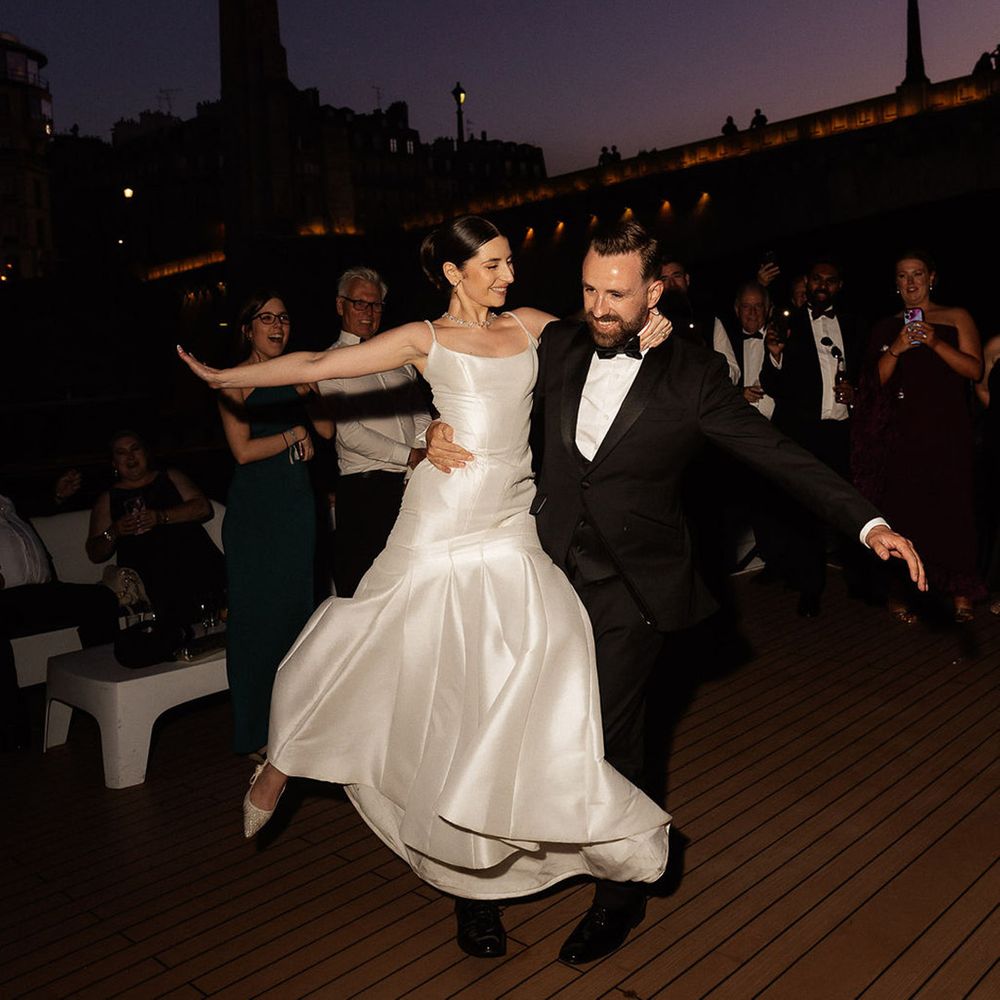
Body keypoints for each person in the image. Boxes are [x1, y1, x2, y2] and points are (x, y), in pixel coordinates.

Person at [425, 221, 924, 963]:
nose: (597, 306)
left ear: (653, 291)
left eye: (616, 294)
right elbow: (472, 374)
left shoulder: (692, 376)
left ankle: (619, 898)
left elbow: (778, 454)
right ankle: (479, 892)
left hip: (631, 593)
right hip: (534, 577)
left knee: (612, 748)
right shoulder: (557, 342)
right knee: (500, 734)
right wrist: (430, 435)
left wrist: (868, 522)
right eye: (588, 289)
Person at [178, 217, 673, 963]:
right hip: (439, 516)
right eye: (496, 265)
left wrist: (647, 323)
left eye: (510, 263)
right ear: (454, 271)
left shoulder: (531, 325)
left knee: (547, 643)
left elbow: (599, 327)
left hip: (508, 518)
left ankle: (529, 831)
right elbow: (319, 362)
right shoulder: (424, 338)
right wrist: (228, 377)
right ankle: (285, 757)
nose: (509, 276)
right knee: (370, 632)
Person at [216, 293, 334, 756]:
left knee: (296, 617)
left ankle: (295, 728)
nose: (277, 325)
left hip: (296, 508)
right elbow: (242, 451)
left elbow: (325, 431)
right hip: (255, 515)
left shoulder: (295, 373)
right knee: (255, 624)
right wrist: (292, 433)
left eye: (283, 316)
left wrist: (312, 389)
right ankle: (254, 734)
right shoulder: (234, 382)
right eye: (266, 317)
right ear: (248, 329)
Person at [853, 251, 984, 623]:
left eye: (917, 274)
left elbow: (974, 370)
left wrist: (934, 342)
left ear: (932, 277)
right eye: (902, 276)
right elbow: (872, 385)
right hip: (901, 434)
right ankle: (904, 589)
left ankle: (961, 591)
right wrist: (896, 348)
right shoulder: (885, 327)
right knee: (907, 512)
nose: (910, 282)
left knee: (954, 510)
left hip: (948, 430)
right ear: (895, 284)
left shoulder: (956, 317)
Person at [759, 257, 868, 617]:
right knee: (806, 512)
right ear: (807, 282)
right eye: (816, 279)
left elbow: (867, 374)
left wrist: (857, 392)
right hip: (803, 434)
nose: (822, 285)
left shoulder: (853, 323)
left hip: (841, 431)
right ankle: (810, 588)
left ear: (839, 286)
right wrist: (774, 356)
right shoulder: (787, 322)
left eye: (830, 280)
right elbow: (772, 383)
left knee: (850, 505)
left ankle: (860, 580)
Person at [319, 266, 430, 597]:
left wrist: (421, 452)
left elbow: (421, 413)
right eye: (360, 304)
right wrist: (409, 454)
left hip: (413, 484)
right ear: (341, 306)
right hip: (367, 490)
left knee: (414, 588)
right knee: (366, 594)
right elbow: (348, 434)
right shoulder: (327, 362)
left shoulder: (398, 358)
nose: (369, 313)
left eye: (376, 305)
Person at [2, 486, 118, 751]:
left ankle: (105, 692)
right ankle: (11, 732)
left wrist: (57, 495)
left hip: (41, 592)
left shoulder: (9, 501)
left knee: (100, 600)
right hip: (5, 600)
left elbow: (39, 502)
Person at [86, 430, 226, 627]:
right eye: (122, 452)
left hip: (192, 558)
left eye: (135, 449)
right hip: (149, 574)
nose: (131, 456)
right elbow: (94, 552)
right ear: (114, 463)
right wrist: (114, 531)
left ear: (146, 453)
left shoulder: (169, 476)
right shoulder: (107, 498)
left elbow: (203, 508)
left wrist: (161, 517)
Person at [976, 334, 1000, 614]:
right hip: (997, 443)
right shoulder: (995, 345)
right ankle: (986, 586)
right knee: (990, 518)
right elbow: (981, 387)